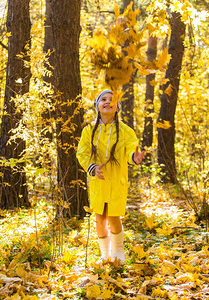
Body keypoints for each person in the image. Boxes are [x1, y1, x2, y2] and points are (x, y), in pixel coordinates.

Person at [76, 89, 145, 264]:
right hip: (98, 180)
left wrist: (134, 157)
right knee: (100, 219)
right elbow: (82, 153)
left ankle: (119, 253)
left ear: (117, 106)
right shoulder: (89, 130)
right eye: (103, 99)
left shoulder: (125, 131)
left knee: (113, 217)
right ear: (97, 106)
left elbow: (131, 148)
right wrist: (91, 167)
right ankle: (105, 255)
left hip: (117, 181)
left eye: (111, 100)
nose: (107, 102)